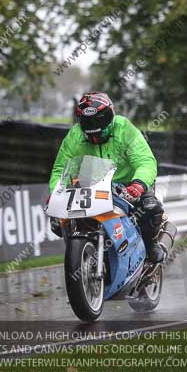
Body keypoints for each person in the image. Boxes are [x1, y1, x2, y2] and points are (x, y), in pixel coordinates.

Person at [47, 91, 168, 263]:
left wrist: (138, 184)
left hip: (129, 185)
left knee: (149, 207)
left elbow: (146, 161)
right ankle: (81, 258)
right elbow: (60, 168)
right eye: (88, 122)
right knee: (57, 221)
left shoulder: (124, 129)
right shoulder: (75, 135)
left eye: (99, 120)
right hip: (92, 186)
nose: (94, 126)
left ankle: (151, 245)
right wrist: (55, 194)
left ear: (111, 115)